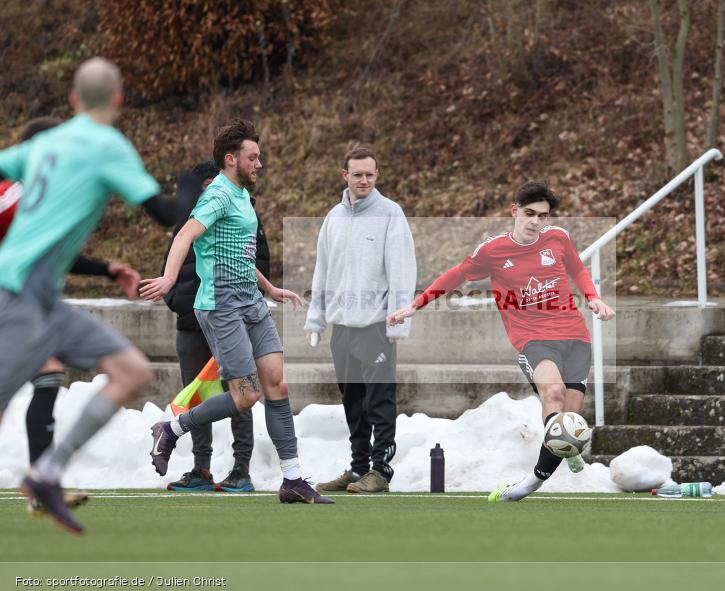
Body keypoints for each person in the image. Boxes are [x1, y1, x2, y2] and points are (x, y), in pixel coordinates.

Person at [0, 57, 199, 534]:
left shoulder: (46, 141)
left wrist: (108, 268)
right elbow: (166, 212)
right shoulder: (109, 145)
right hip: (16, 291)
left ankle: (46, 474)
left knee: (131, 370)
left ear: (72, 99)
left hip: (44, 297)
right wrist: (196, 185)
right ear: (118, 99)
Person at [140, 118, 334, 505]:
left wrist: (269, 287)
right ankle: (172, 428)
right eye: (253, 157)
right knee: (245, 396)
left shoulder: (243, 196)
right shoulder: (218, 196)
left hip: (252, 303)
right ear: (232, 159)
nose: (259, 163)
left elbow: (238, 253)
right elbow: (185, 235)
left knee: (277, 384)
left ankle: (293, 479)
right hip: (222, 306)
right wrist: (168, 278)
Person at [388, 181, 616, 502]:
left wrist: (593, 298)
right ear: (514, 211)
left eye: (543, 216)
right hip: (534, 338)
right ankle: (529, 485)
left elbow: (577, 270)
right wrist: (415, 305)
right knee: (553, 393)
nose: (536, 222)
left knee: (570, 420)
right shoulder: (493, 251)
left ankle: (559, 447)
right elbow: (455, 276)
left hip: (575, 336)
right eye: (529, 213)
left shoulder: (558, 239)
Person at [2, 117, 143, 518]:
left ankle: (42, 482)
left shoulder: (35, 197)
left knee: (47, 374)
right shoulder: (17, 193)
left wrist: (106, 268)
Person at [305, 147, 416, 494]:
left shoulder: (390, 214)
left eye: (369, 174)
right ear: (345, 176)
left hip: (376, 326)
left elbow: (401, 271)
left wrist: (397, 323)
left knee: (379, 399)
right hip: (342, 327)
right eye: (357, 174)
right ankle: (357, 469)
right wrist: (316, 319)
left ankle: (380, 471)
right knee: (352, 399)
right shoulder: (333, 218)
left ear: (377, 175)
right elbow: (323, 271)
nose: (364, 180)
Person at [161, 159, 270, 493]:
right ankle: (200, 467)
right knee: (196, 397)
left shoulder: (244, 219)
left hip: (229, 322)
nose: (211, 192)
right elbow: (170, 271)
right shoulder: (189, 224)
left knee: (241, 394)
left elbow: (258, 264)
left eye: (214, 183)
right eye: (204, 187)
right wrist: (178, 300)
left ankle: (241, 469)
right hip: (192, 326)